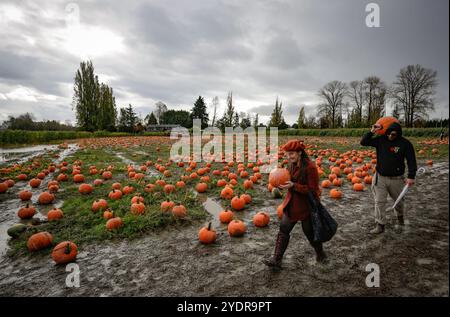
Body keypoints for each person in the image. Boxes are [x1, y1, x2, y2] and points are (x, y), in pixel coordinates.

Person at [263, 139, 326, 271]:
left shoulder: (311, 168)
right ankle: (276, 259)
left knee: (310, 233)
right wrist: (280, 183)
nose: (289, 156)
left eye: (291, 154)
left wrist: (294, 185)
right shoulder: (291, 164)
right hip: (292, 203)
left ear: (300, 153)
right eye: (287, 154)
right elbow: (286, 178)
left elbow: (313, 190)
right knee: (284, 228)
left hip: (306, 206)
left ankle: (320, 254)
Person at [360, 121, 417, 234]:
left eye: (393, 134)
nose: (390, 136)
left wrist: (411, 176)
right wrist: (372, 131)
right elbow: (364, 142)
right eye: (389, 133)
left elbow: (411, 161)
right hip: (380, 177)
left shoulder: (405, 144)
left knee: (399, 201)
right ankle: (380, 225)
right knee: (379, 201)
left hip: (397, 179)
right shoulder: (381, 140)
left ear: (398, 134)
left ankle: (400, 218)